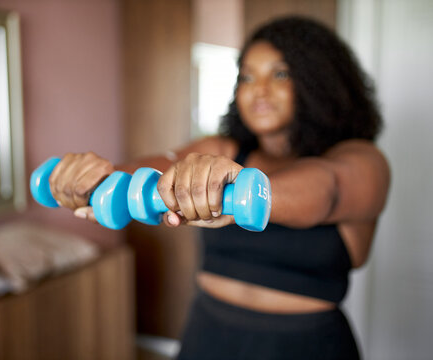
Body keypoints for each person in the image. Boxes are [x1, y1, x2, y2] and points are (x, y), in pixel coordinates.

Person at [48, 16, 390, 359]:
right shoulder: (223, 150)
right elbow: (158, 167)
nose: (259, 90)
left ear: (320, 81)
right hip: (207, 335)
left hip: (306, 346)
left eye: (280, 74)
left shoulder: (362, 160)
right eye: (247, 77)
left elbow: (326, 190)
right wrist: (96, 179)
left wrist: (240, 190)